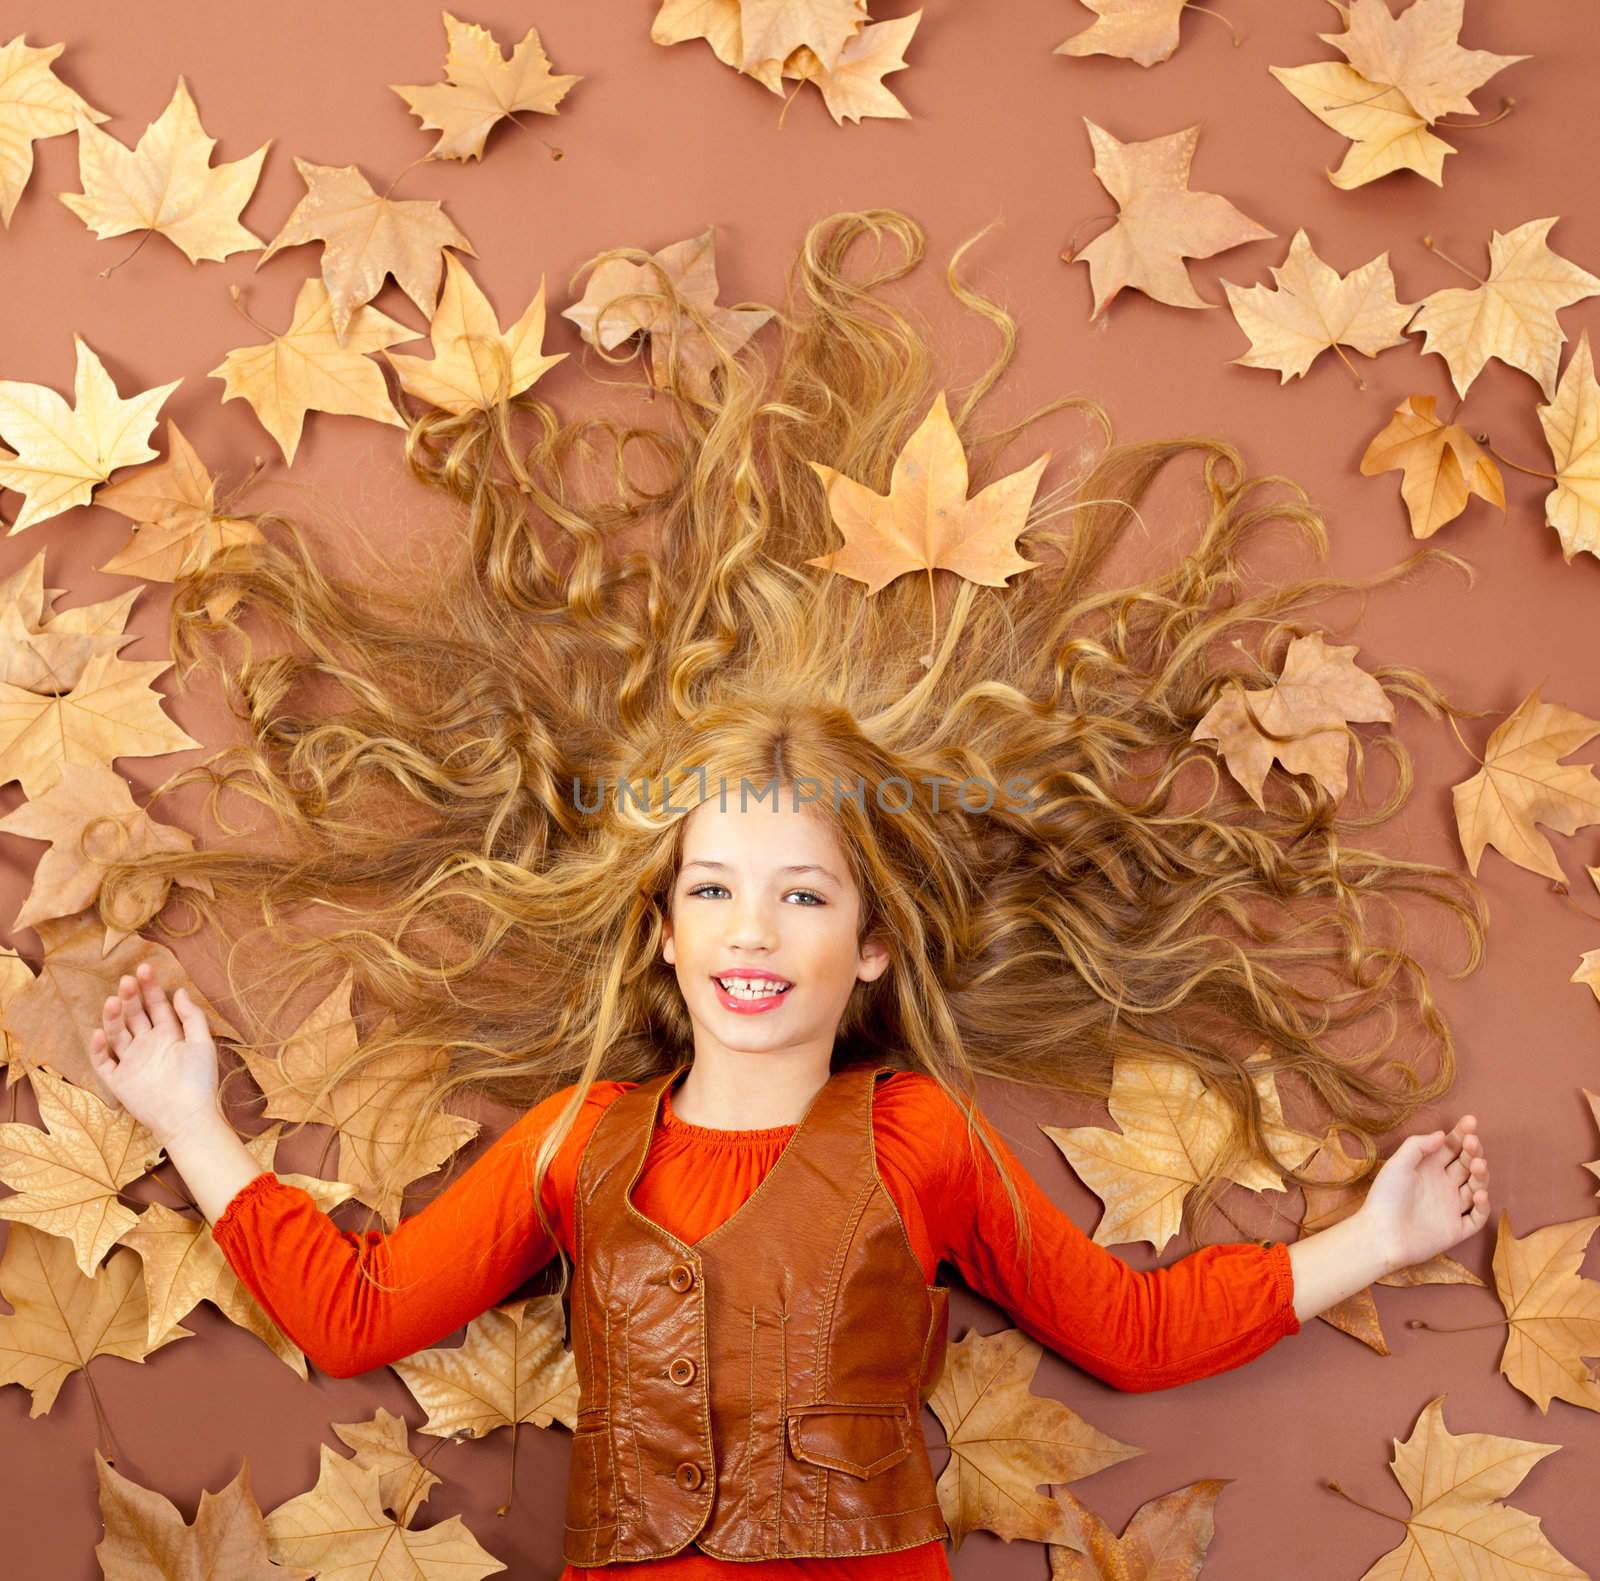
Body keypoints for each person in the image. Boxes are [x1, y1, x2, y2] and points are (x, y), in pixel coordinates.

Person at [85, 209, 1491, 1577]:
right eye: (713, 890)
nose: (752, 930)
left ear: (873, 943)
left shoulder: (923, 1141)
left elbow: (1129, 1327)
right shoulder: (579, 1143)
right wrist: (191, 1121)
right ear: (666, 928)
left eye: (804, 897)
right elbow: (358, 1313)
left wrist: (1379, 1237)